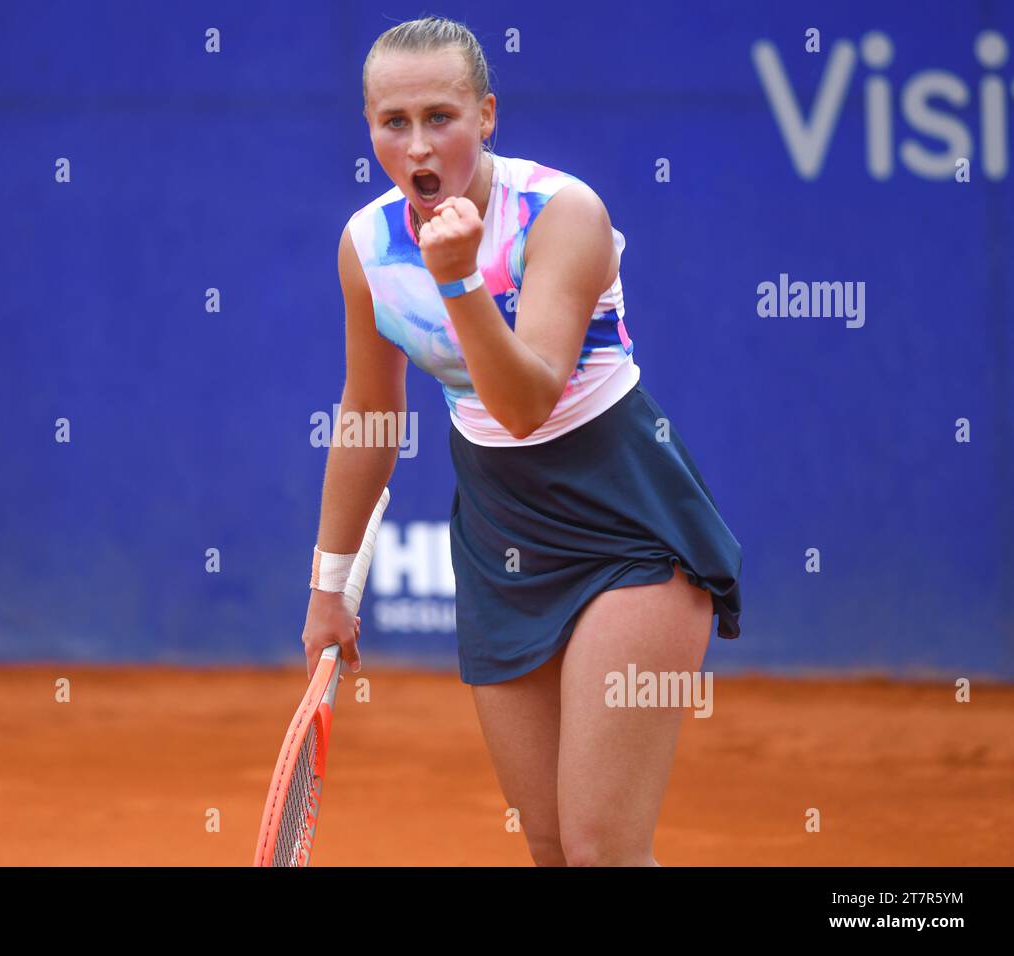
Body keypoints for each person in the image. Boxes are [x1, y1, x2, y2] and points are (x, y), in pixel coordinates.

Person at [302, 15, 743, 867]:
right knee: (548, 848)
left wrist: (458, 278)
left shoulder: (560, 212)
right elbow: (370, 415)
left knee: (601, 851)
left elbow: (526, 405)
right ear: (369, 129)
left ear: (488, 115)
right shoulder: (364, 245)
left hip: (629, 524)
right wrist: (328, 585)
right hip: (503, 538)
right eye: (394, 122)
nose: (419, 143)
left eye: (443, 116)